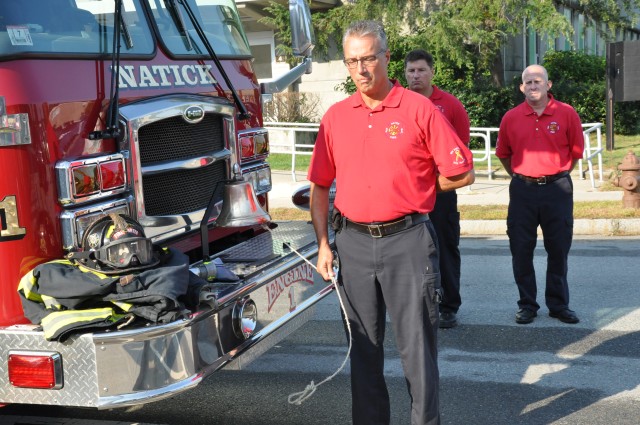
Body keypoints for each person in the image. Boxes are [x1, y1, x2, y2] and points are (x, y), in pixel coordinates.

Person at [308, 20, 475, 425]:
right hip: (353, 244)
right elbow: (319, 187)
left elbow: (462, 171)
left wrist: (420, 185)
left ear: (385, 58)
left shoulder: (418, 108)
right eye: (352, 61)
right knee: (363, 350)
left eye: (368, 58)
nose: (361, 69)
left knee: (417, 351)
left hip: (408, 241)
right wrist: (324, 245)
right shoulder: (336, 117)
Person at [495, 64, 584, 325]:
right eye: (528, 83)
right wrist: (522, 177)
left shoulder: (566, 114)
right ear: (522, 87)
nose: (533, 86)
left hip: (558, 189)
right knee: (521, 249)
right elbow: (503, 154)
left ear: (548, 84)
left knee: (558, 249)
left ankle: (558, 305)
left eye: (538, 81)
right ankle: (527, 305)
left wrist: (556, 175)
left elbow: (575, 154)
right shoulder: (511, 117)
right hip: (523, 190)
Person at [405, 49, 471, 329]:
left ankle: (448, 305)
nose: (416, 76)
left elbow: (460, 151)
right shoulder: (400, 104)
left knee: (444, 247)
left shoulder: (450, 105)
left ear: (432, 72)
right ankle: (415, 304)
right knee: (408, 251)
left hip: (440, 192)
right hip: (408, 193)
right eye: (411, 71)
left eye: (421, 70)